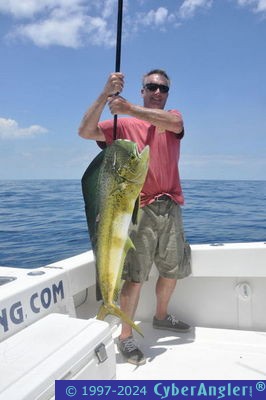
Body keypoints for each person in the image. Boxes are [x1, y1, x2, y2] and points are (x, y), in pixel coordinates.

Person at [79, 69, 191, 366]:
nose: (157, 92)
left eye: (163, 89)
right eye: (152, 87)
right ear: (142, 89)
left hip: (171, 206)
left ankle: (161, 317)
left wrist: (127, 107)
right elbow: (86, 131)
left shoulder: (171, 119)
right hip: (137, 208)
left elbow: (176, 123)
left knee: (171, 270)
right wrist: (106, 94)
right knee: (135, 276)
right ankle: (125, 335)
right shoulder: (123, 124)